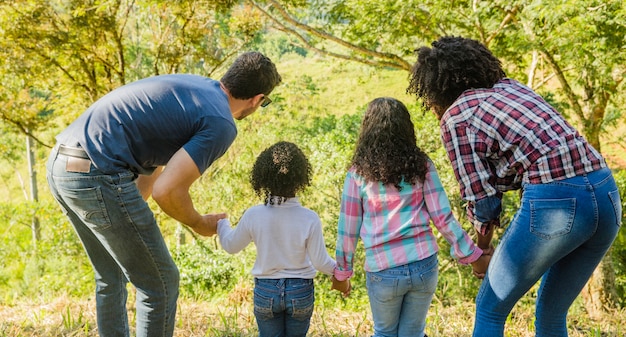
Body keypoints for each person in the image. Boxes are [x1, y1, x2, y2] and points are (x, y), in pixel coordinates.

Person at [46, 51, 282, 337]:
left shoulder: (196, 88)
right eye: (264, 102)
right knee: (160, 282)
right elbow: (167, 191)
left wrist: (128, 215)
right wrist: (198, 222)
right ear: (257, 99)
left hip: (63, 163)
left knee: (111, 274)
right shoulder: (221, 122)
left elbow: (155, 164)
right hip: (99, 172)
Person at [407, 35, 622, 336]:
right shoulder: (511, 87)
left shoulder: (456, 117)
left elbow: (483, 202)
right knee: (551, 313)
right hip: (607, 192)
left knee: (490, 310)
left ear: (435, 88)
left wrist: (481, 254)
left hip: (557, 201)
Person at [333, 97, 490, 337]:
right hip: (423, 264)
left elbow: (348, 230)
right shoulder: (421, 165)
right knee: (413, 333)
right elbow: (443, 217)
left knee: (385, 333)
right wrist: (472, 255)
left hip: (384, 269)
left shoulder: (358, 174)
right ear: (406, 128)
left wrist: (342, 273)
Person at [217, 141, 343, 337]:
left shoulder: (254, 215)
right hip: (300, 290)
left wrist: (221, 224)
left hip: (266, 291)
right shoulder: (309, 218)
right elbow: (320, 262)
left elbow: (231, 246)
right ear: (300, 177)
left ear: (263, 177)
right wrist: (341, 273)